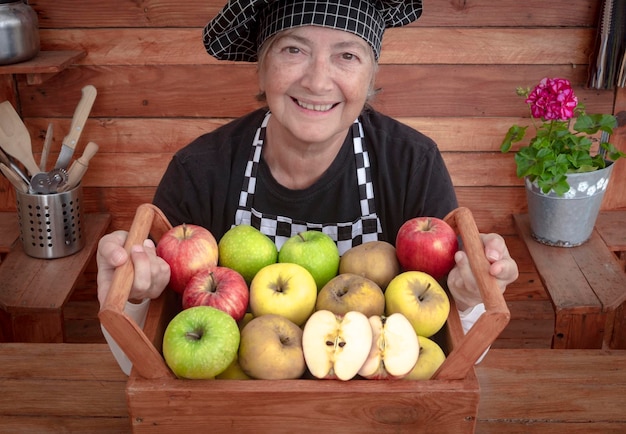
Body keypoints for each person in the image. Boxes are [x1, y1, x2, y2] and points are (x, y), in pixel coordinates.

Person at [97, 0, 519, 373]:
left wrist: (469, 298)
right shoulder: (200, 171)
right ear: (261, 69)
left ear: (371, 76)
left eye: (347, 55)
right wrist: (128, 300)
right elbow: (148, 371)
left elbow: (449, 364)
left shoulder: (410, 163)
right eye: (294, 50)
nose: (318, 82)